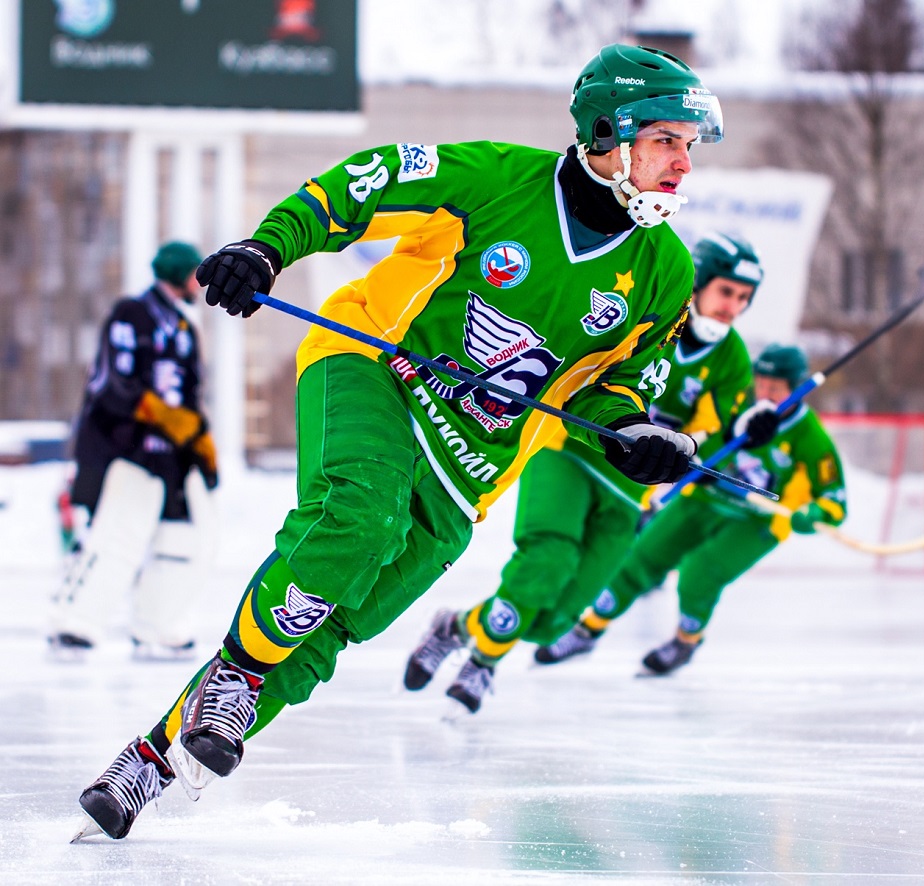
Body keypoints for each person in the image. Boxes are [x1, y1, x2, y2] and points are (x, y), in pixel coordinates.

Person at [75, 43, 724, 841]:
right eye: (667, 141)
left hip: (471, 469)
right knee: (361, 515)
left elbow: (622, 379)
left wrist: (636, 430)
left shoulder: (664, 269)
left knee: (337, 620)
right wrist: (270, 245)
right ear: (607, 132)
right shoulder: (495, 178)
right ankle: (239, 673)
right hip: (374, 364)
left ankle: (150, 761)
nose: (683, 164)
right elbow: (364, 183)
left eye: (690, 146)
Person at [400, 233, 777, 713]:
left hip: (627, 491)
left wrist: (749, 426)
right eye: (727, 291)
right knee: (546, 562)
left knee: (554, 619)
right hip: (570, 454)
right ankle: (484, 664)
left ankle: (454, 628)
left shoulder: (731, 359)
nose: (734, 307)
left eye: (744, 298)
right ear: (699, 282)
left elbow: (715, 429)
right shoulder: (655, 312)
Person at [536, 343, 847, 676]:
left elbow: (834, 499)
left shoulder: (810, 437)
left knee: (700, 574)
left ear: (797, 389)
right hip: (704, 499)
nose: (765, 392)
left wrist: (814, 514)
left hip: (757, 521)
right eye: (761, 382)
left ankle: (686, 641)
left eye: (776, 387)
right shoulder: (740, 405)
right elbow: (705, 432)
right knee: (641, 558)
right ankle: (588, 630)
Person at [49, 242, 218, 662]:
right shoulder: (133, 314)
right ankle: (77, 623)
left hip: (173, 455)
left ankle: (159, 625)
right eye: (194, 272)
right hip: (129, 447)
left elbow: (191, 394)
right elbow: (112, 383)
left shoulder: (182, 325)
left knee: (181, 540)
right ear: (178, 273)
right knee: (119, 535)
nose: (198, 281)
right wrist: (156, 413)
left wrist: (200, 440)